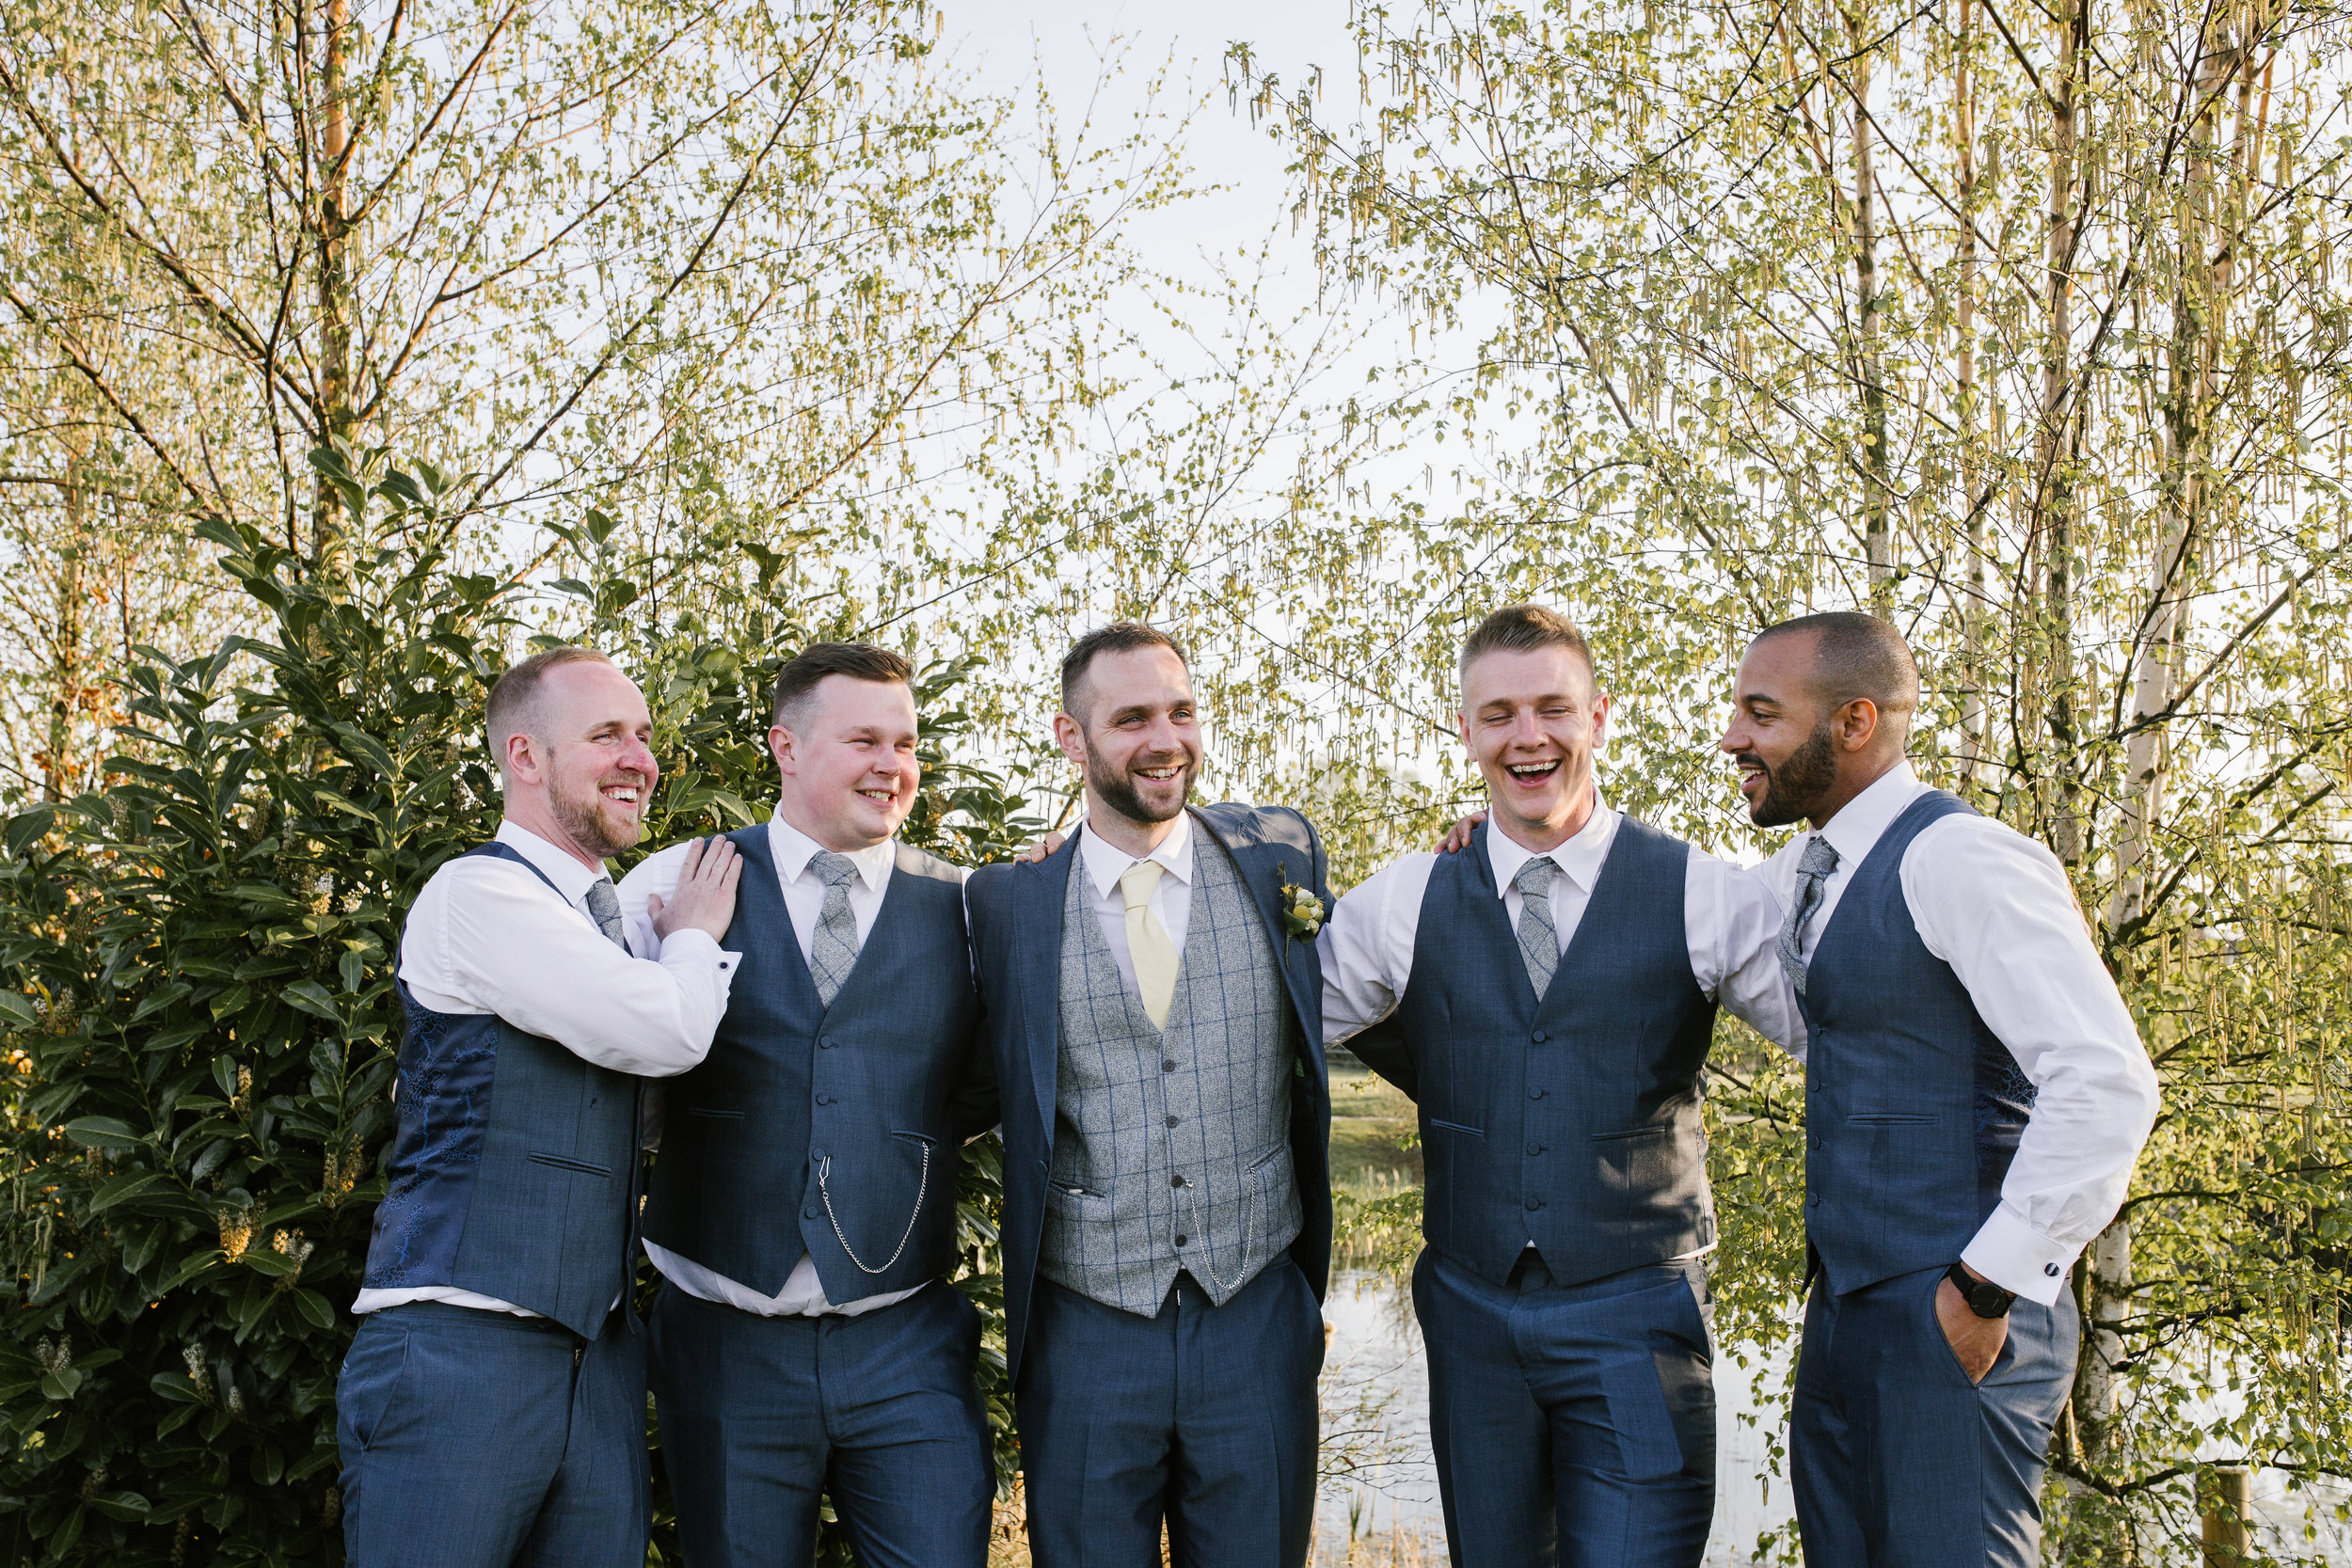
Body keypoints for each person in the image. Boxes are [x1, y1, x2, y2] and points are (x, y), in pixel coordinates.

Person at [1322, 605, 1803, 1568]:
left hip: (1639, 1326)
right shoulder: (1406, 897)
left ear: (1599, 717)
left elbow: (1851, 1044)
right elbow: (1267, 1027)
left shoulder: (1703, 891)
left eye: (1552, 707)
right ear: (1465, 730)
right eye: (1498, 713)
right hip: (1471, 1320)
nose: (1527, 734)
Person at [1718, 610, 2158, 1568]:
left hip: (1955, 1310)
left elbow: (2104, 1081)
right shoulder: (1808, 865)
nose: (1732, 737)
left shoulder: (1960, 857)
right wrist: (1519, 830)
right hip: (1844, 1314)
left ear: (1853, 721)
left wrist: (1983, 1285)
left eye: (1760, 713)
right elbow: (1679, 910)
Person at [340, 645, 744, 1568]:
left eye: (644, 734)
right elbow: (668, 1031)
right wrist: (692, 939)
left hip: (597, 1364)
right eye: (607, 734)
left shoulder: (613, 919)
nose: (640, 757)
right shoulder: (475, 893)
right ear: (526, 757)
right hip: (458, 1352)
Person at [962, 623, 1334, 1568]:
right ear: (1070, 737)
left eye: (1180, 710)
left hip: (1253, 1310)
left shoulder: (1280, 855)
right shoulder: (1005, 902)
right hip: (1086, 1322)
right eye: (1130, 718)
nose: (1164, 738)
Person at [618, 642, 995, 1568]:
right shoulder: (672, 886)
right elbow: (614, 1085)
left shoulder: (973, 908)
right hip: (724, 1344)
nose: (892, 764)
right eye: (863, 737)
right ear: (785, 746)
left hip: (907, 1339)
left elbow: (983, 1088)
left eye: (905, 742)